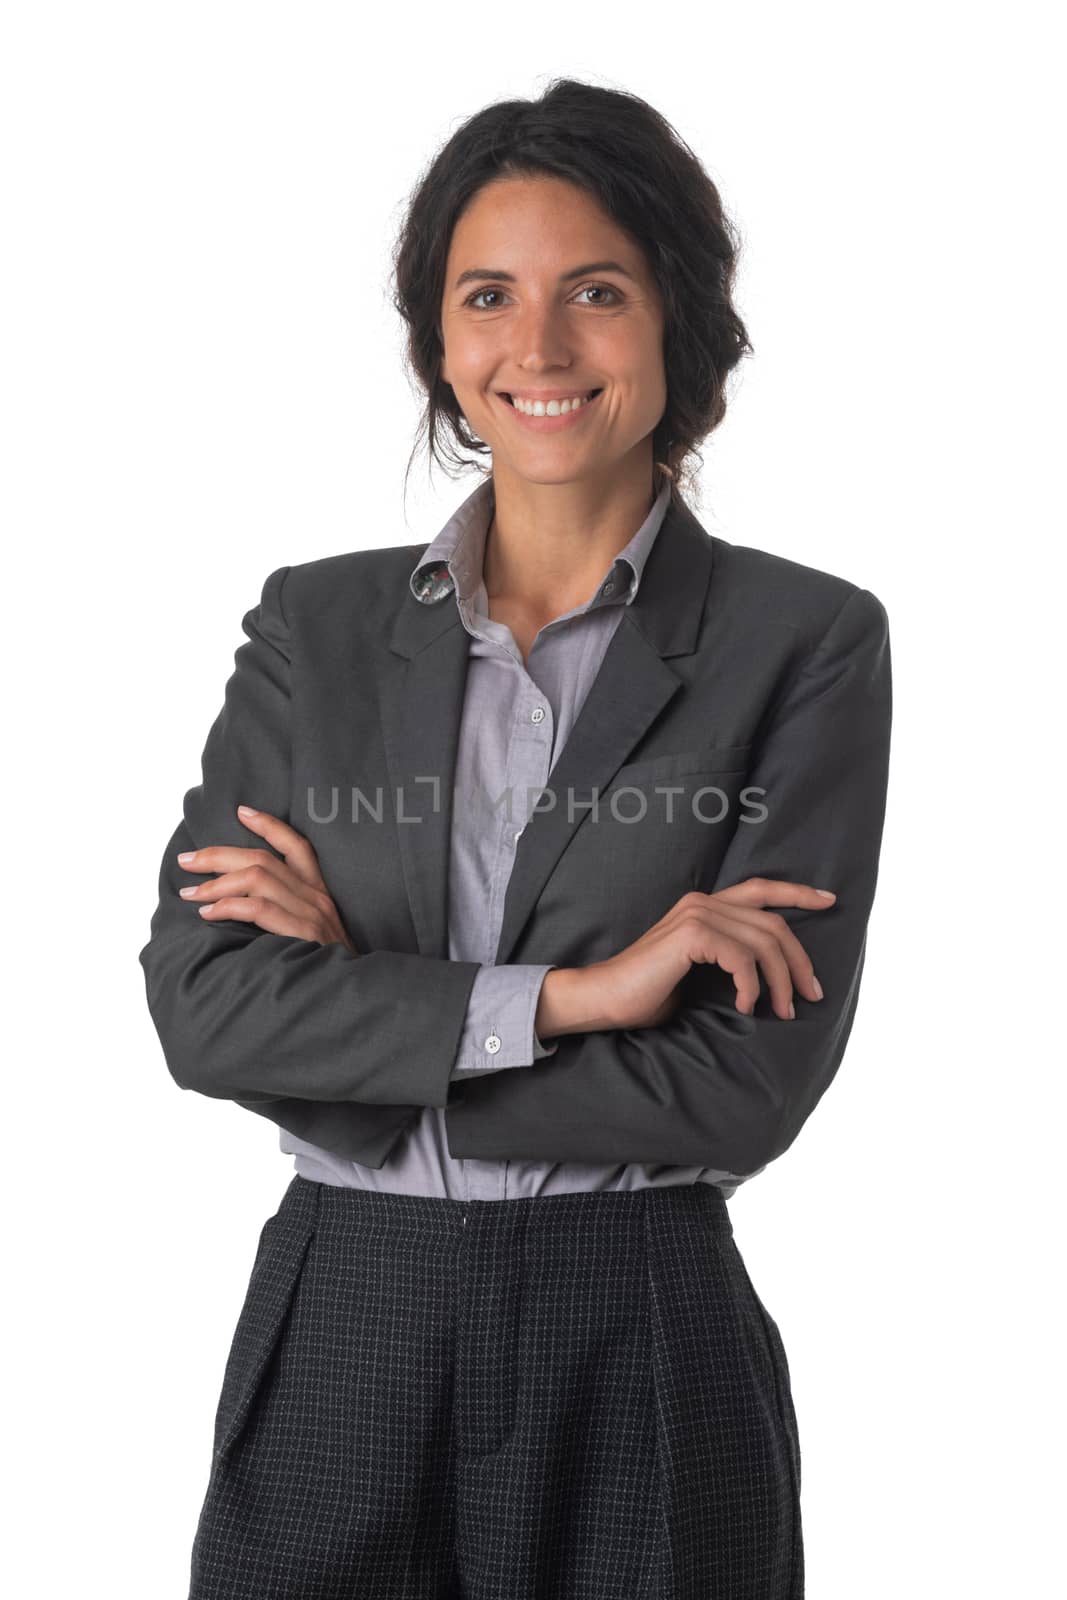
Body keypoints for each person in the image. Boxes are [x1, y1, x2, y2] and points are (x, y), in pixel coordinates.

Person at [139, 76, 892, 1599]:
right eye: (489, 297)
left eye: (595, 293)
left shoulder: (802, 640)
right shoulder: (318, 626)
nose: (538, 349)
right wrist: (574, 999)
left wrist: (369, 1020)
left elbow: (741, 1088)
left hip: (641, 1321)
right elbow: (206, 1007)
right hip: (345, 1305)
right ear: (439, 341)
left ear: (679, 320)